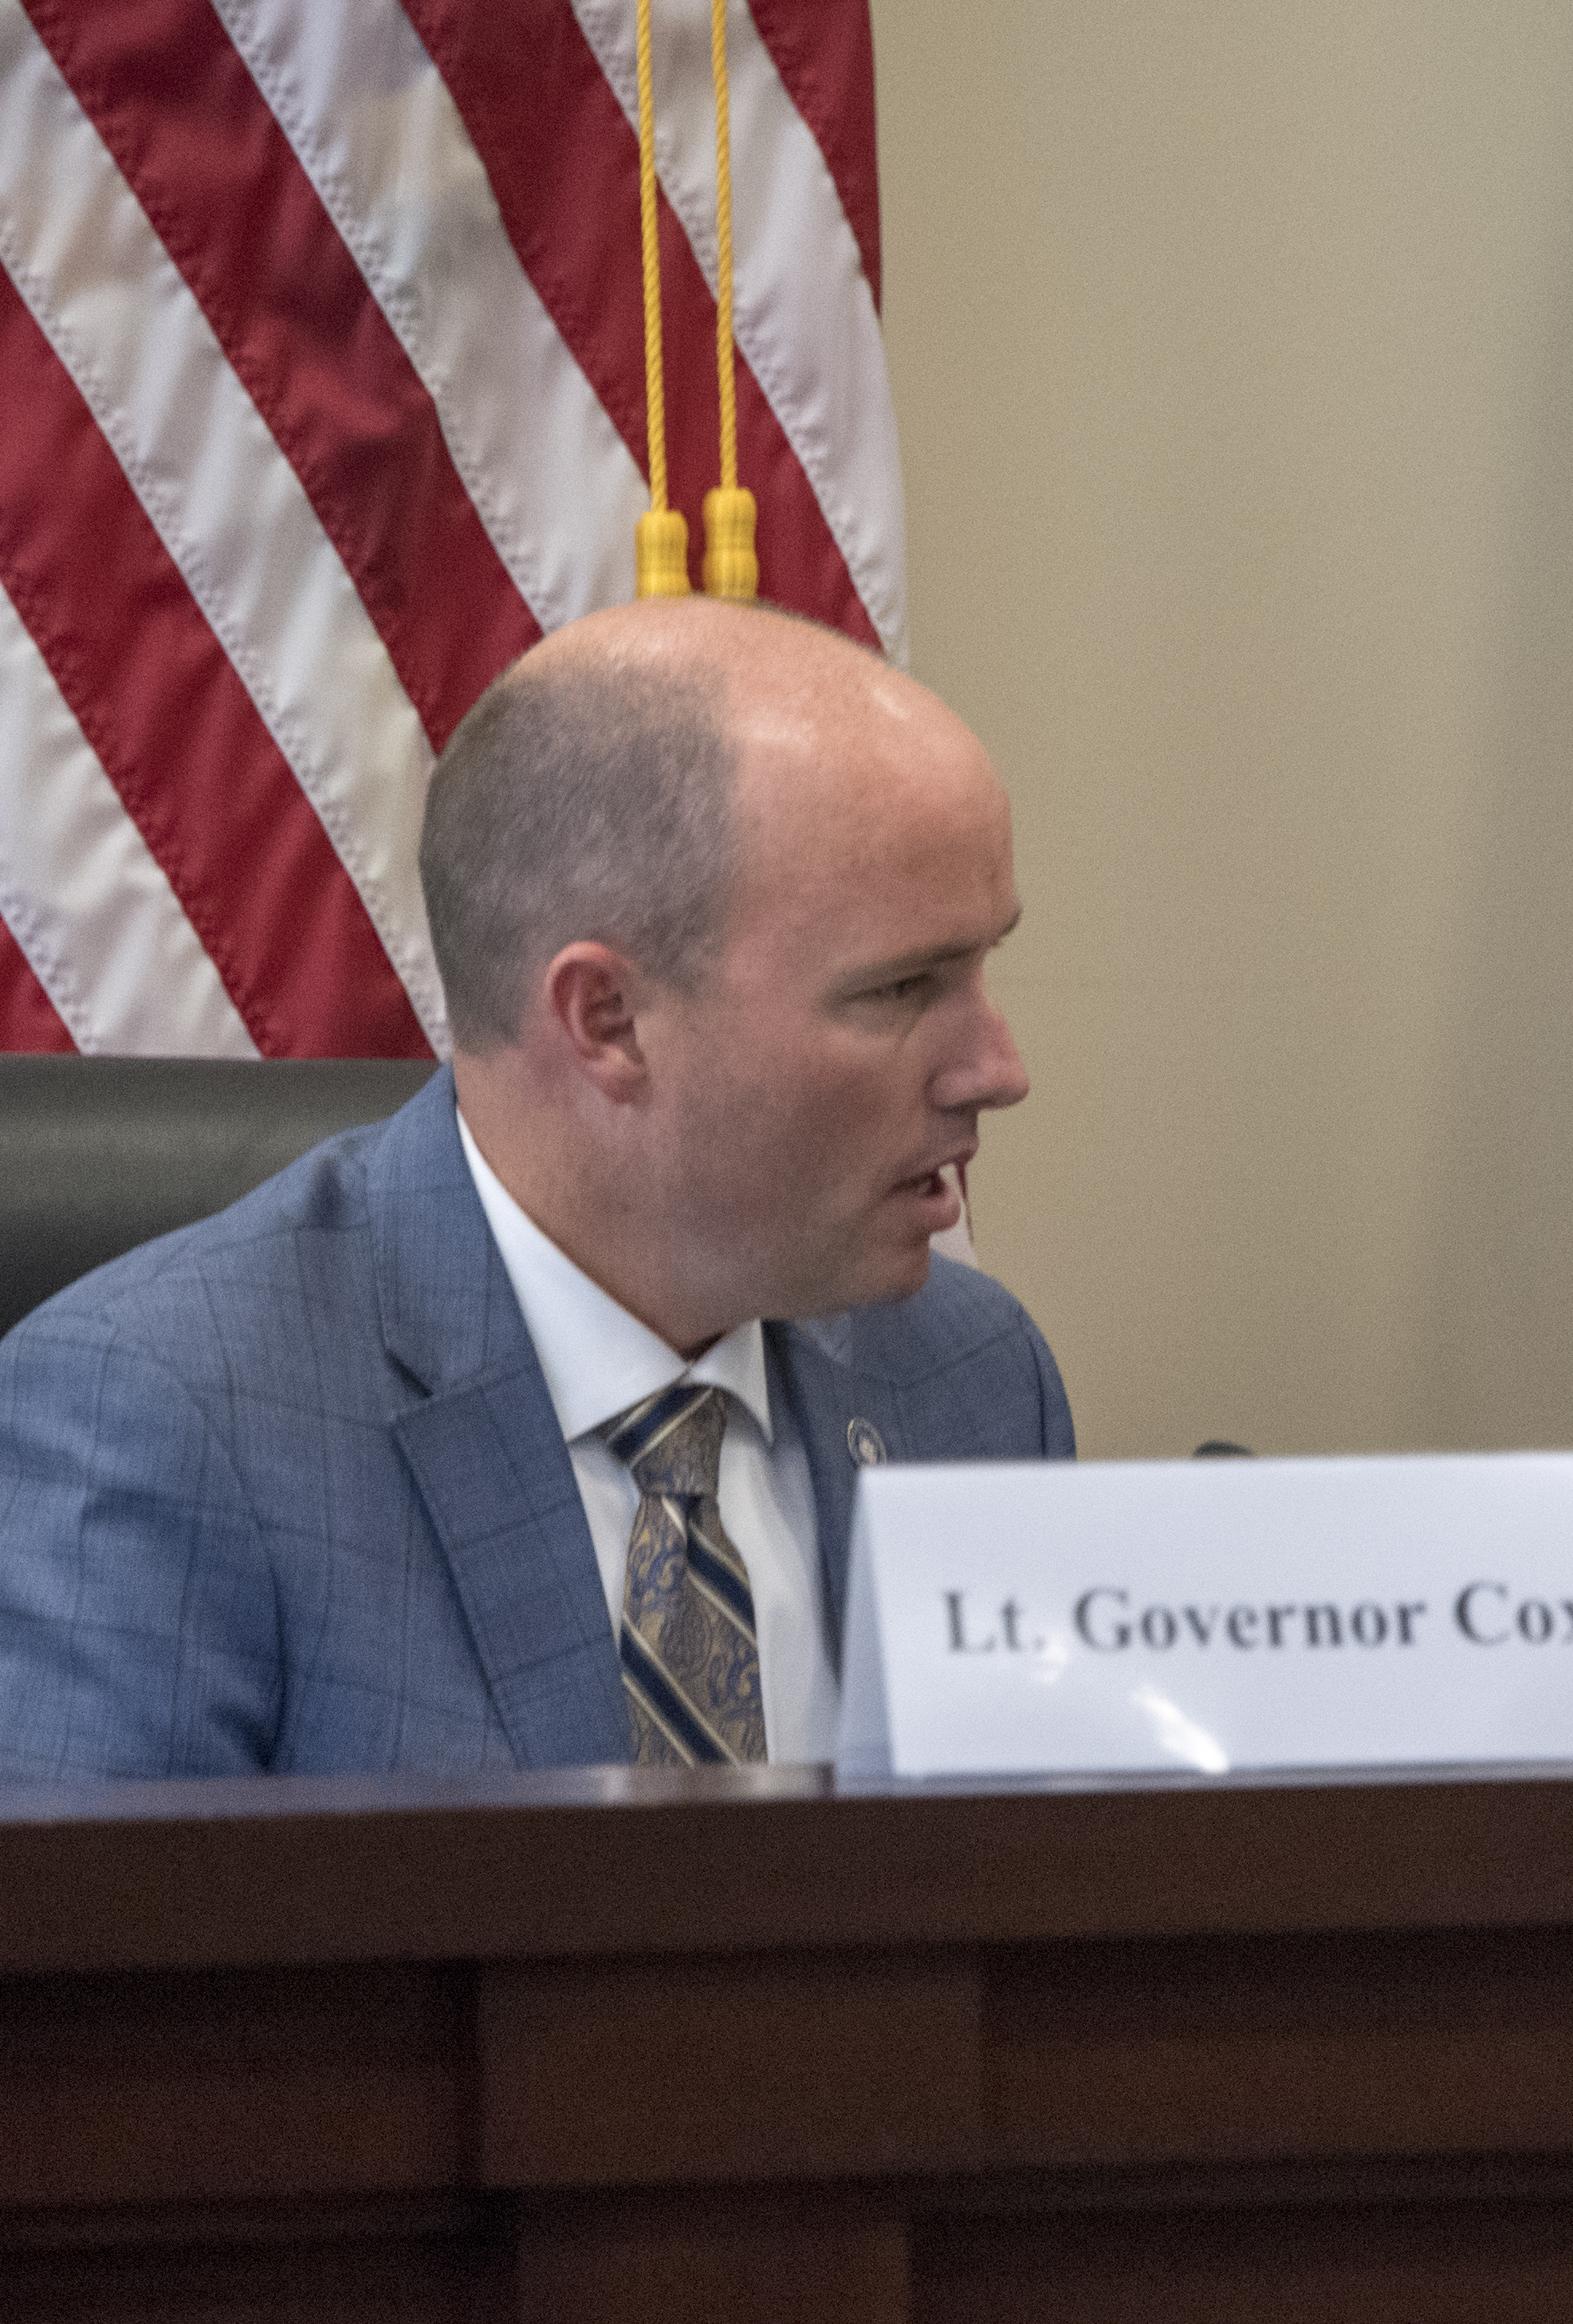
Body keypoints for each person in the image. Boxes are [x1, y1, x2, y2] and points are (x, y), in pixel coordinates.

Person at [0, 600, 1070, 1779]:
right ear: (606, 1020)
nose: (997, 1070)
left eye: (984, 964)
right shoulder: (164, 1418)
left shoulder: (971, 1376)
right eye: (904, 988)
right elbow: (114, 1961)